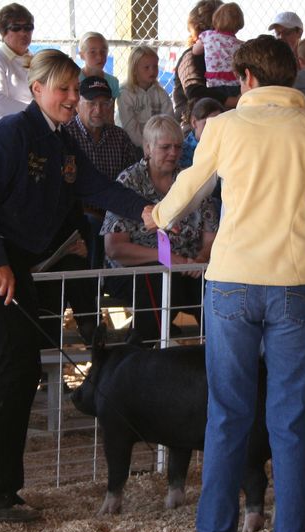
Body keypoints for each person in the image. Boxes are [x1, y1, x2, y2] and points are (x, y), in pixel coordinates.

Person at [145, 36, 305, 532]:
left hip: (233, 282)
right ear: (291, 78)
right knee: (290, 419)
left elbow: (189, 188)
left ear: (245, 78)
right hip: (296, 281)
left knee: (227, 413)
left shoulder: (224, 126)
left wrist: (157, 216)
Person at [0, 49, 152, 524]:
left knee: (19, 371)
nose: (69, 98)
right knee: (14, 366)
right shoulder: (8, 135)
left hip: (16, 266)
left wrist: (145, 209)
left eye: (73, 89)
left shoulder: (63, 145)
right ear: (36, 89)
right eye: (60, 89)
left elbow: (98, 186)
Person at [101, 114, 218, 344]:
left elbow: (211, 236)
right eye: (165, 147)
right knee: (158, 279)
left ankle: (214, 352)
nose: (173, 153)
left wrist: (201, 258)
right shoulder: (129, 181)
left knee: (212, 286)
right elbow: (114, 248)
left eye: (177, 147)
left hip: (188, 267)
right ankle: (143, 351)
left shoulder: (189, 180)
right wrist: (169, 259)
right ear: (147, 148)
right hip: (137, 270)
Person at [66, 75, 137, 268]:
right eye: (91, 103)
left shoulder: (119, 137)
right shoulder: (66, 135)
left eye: (105, 103)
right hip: (78, 213)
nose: (99, 110)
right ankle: (92, 289)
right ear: (78, 103)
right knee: (91, 224)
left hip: (116, 211)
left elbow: (132, 180)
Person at [173, 0, 237, 129]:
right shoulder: (191, 56)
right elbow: (194, 90)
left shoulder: (227, 53)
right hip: (192, 124)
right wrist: (231, 101)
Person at [116, 45, 174, 153]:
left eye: (155, 66)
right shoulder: (125, 94)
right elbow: (130, 127)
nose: (152, 71)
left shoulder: (160, 93)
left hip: (157, 144)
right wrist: (146, 148)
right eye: (146, 67)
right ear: (134, 70)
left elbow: (169, 120)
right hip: (130, 145)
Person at [192, 2, 243, 97]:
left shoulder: (208, 36)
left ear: (216, 20)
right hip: (235, 86)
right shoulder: (240, 44)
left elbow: (195, 51)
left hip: (214, 84)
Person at [179, 97, 223, 168]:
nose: (213, 129)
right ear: (194, 122)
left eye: (219, 124)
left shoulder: (223, 144)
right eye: (207, 124)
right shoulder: (183, 152)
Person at [78, 32, 120, 100]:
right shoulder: (75, 79)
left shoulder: (113, 82)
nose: (99, 57)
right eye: (92, 52)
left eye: (103, 51)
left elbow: (110, 108)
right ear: (82, 55)